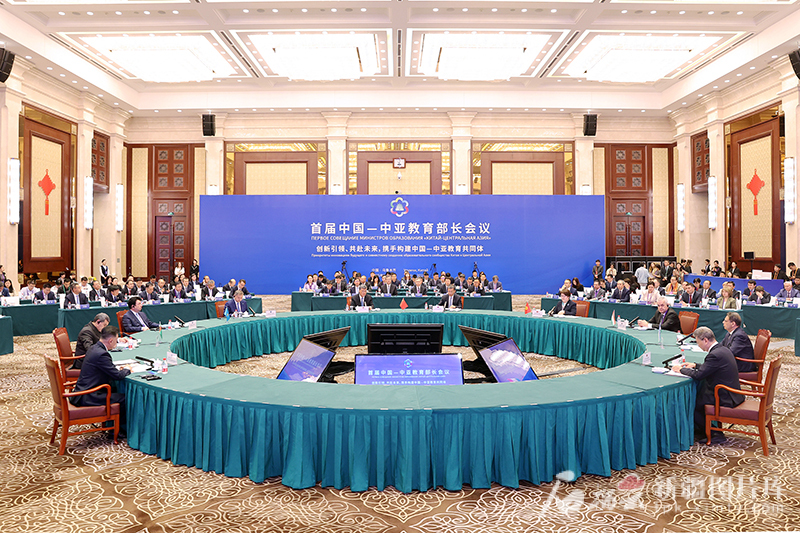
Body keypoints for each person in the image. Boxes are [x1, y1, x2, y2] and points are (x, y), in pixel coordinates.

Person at [672, 326, 744, 443]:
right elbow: (711, 367)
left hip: (726, 396)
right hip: (732, 392)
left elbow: (699, 375)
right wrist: (695, 365)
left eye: (698, 342)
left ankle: (715, 434)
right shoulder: (722, 349)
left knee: (694, 402)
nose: (698, 345)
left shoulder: (714, 355)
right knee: (699, 396)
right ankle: (703, 430)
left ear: (705, 340)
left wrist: (681, 370)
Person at [69, 326, 131, 436]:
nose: (116, 343)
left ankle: (112, 426)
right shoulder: (102, 354)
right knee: (125, 398)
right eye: (116, 340)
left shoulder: (94, 348)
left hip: (83, 391)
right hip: (89, 395)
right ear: (110, 340)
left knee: (114, 390)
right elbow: (117, 376)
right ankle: (116, 431)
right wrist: (127, 369)